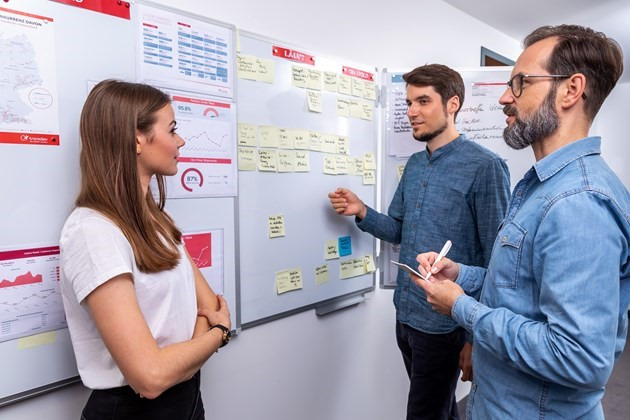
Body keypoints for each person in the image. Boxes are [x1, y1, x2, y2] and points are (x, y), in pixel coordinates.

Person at [413, 25, 630, 419]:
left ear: (570, 90)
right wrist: (461, 274)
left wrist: (461, 308)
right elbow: (522, 288)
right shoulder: (541, 186)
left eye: (520, 83)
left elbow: (579, 358)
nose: (504, 97)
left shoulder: (577, 203)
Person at [328, 64, 510, 419]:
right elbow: (399, 230)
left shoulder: (485, 167)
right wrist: (361, 210)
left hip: (447, 324)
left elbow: (496, 261)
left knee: (424, 413)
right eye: (409, 102)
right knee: (440, 409)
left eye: (423, 101)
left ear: (452, 103)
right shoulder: (414, 164)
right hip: (406, 314)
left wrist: (476, 338)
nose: (411, 111)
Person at [60, 80, 231, 420]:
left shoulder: (157, 220)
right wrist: (218, 334)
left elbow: (209, 305)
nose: (180, 141)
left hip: (186, 401)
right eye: (172, 129)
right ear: (138, 138)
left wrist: (176, 361)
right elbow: (149, 378)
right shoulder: (93, 234)